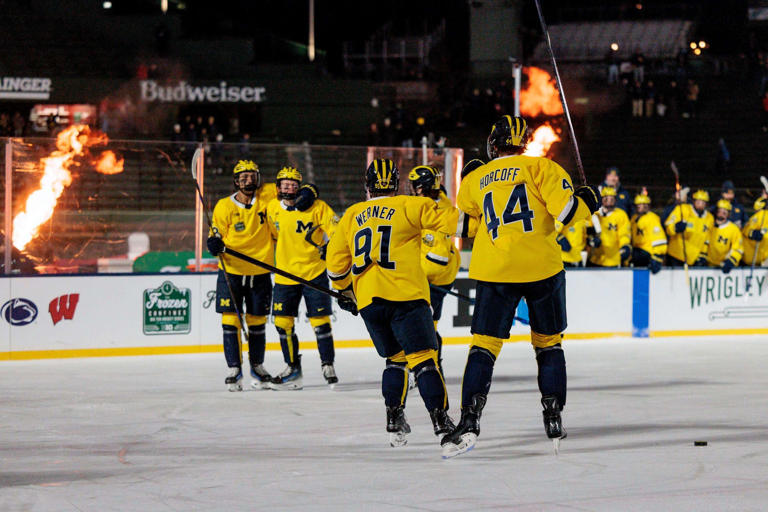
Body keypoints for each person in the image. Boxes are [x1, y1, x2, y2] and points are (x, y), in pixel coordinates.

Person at [440, 115, 601, 458]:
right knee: (549, 346)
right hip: (541, 267)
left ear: (493, 143)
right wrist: (590, 199)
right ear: (524, 143)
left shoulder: (475, 177)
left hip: (495, 269)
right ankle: (553, 415)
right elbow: (569, 213)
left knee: (483, 347)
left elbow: (468, 222)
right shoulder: (543, 168)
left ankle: (469, 420)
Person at [326, 158, 459, 449]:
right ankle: (441, 423)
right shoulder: (410, 205)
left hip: (371, 303)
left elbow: (335, 268)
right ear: (397, 184)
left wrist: (348, 291)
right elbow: (458, 225)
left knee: (395, 360)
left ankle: (394, 420)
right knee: (423, 360)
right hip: (406, 296)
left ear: (368, 185)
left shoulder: (351, 214)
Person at [206, 160, 277, 391]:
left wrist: (309, 192)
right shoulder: (223, 206)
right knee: (230, 320)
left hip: (260, 272)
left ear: (258, 178)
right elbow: (215, 231)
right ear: (235, 181)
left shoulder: (267, 201)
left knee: (257, 322)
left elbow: (290, 189)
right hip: (232, 271)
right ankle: (234, 369)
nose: (247, 181)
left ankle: (257, 365)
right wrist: (213, 242)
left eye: (251, 176)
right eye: (242, 177)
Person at [266, 167, 339, 390]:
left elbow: (337, 230)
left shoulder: (318, 207)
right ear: (278, 188)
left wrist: (330, 247)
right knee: (282, 323)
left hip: (313, 273)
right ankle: (292, 368)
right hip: (285, 275)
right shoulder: (271, 208)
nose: (289, 188)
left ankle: (328, 364)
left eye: (294, 184)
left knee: (320, 323)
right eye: (285, 184)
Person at [408, 165, 462, 370]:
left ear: (421, 187)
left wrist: (417, 276)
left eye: (414, 185)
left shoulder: (432, 211)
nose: (411, 189)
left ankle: (431, 368)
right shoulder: (439, 202)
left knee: (425, 327)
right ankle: (432, 366)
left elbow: (438, 257)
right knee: (428, 326)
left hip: (434, 278)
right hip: (443, 275)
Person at [664, 189, 714, 267]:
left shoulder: (710, 218)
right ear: (694, 201)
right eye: (698, 201)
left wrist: (703, 254)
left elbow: (707, 238)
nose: (700, 204)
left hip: (693, 257)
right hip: (676, 254)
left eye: (703, 202)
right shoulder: (682, 209)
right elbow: (668, 225)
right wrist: (675, 228)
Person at [587, 187, 631, 268]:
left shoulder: (621, 214)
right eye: (606, 197)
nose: (609, 200)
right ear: (601, 199)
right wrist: (591, 239)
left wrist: (625, 245)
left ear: (616, 199)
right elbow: (587, 231)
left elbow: (624, 234)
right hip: (596, 258)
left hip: (614, 259)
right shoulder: (594, 214)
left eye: (612, 198)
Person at [630, 192, 667, 274]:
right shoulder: (634, 218)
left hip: (648, 252)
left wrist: (658, 256)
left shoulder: (652, 218)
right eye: (639, 204)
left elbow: (659, 238)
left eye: (644, 204)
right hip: (637, 250)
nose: (641, 207)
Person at [705, 200, 743, 273]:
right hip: (708, 265)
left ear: (728, 215)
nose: (720, 215)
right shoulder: (709, 225)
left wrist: (731, 261)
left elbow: (738, 248)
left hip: (725, 265)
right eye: (719, 212)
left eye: (724, 213)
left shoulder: (734, 229)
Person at [742, 194, 768, 267]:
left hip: (758, 258)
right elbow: (747, 231)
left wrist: (752, 233)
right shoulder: (760, 216)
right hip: (759, 257)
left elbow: (747, 231)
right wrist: (753, 233)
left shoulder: (761, 215)